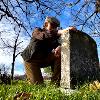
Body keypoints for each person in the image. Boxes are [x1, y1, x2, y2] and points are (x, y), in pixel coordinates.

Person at [21, 16, 76, 85]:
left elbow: (57, 45)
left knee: (59, 54)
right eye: (52, 25)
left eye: (56, 26)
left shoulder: (54, 38)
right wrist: (60, 31)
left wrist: (60, 46)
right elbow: (44, 36)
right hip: (31, 59)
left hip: (44, 59)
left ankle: (55, 83)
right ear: (46, 24)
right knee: (38, 86)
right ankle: (30, 79)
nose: (54, 28)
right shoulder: (37, 31)